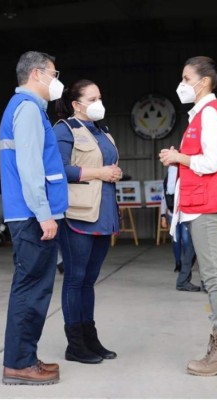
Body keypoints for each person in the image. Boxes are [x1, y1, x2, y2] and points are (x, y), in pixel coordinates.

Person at [159, 56, 217, 376]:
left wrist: (179, 156)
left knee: (214, 278)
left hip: (207, 207)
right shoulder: (202, 114)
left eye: (185, 78)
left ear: (203, 81)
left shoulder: (209, 113)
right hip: (199, 206)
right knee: (212, 276)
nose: (182, 84)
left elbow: (211, 162)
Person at [0, 51, 68, 385]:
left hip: (27, 215)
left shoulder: (26, 110)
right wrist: (44, 215)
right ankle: (19, 364)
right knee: (31, 290)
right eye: (55, 74)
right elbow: (30, 169)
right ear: (37, 74)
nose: (57, 81)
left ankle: (25, 357)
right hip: (32, 216)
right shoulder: (27, 111)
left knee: (33, 288)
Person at [53, 79, 122, 364]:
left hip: (103, 212)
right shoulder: (64, 129)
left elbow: (107, 165)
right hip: (78, 213)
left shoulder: (102, 130)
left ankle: (90, 339)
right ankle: (75, 345)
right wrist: (99, 173)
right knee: (75, 279)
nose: (98, 103)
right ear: (76, 104)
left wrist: (113, 173)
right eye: (92, 99)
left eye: (100, 97)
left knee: (89, 281)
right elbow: (58, 169)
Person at [160, 165, 201, 292]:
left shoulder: (172, 175)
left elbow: (166, 194)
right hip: (183, 213)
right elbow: (165, 196)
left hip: (179, 213)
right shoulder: (182, 175)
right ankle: (180, 265)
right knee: (184, 242)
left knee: (183, 241)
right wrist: (163, 215)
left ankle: (183, 270)